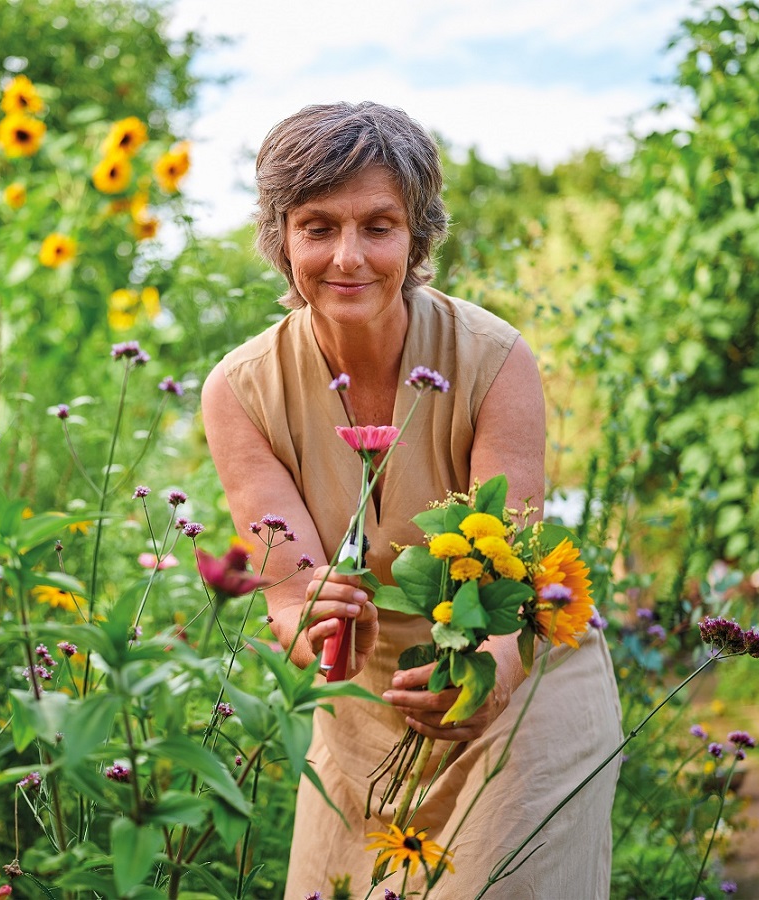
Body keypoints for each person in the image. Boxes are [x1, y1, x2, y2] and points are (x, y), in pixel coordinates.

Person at [201, 101, 622, 898]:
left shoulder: (494, 361)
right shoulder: (241, 391)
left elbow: (510, 587)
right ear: (281, 237)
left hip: (519, 683)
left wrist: (483, 680)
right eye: (317, 227)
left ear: (417, 235)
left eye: (379, 226)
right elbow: (290, 595)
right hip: (363, 713)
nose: (348, 256)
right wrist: (315, 625)